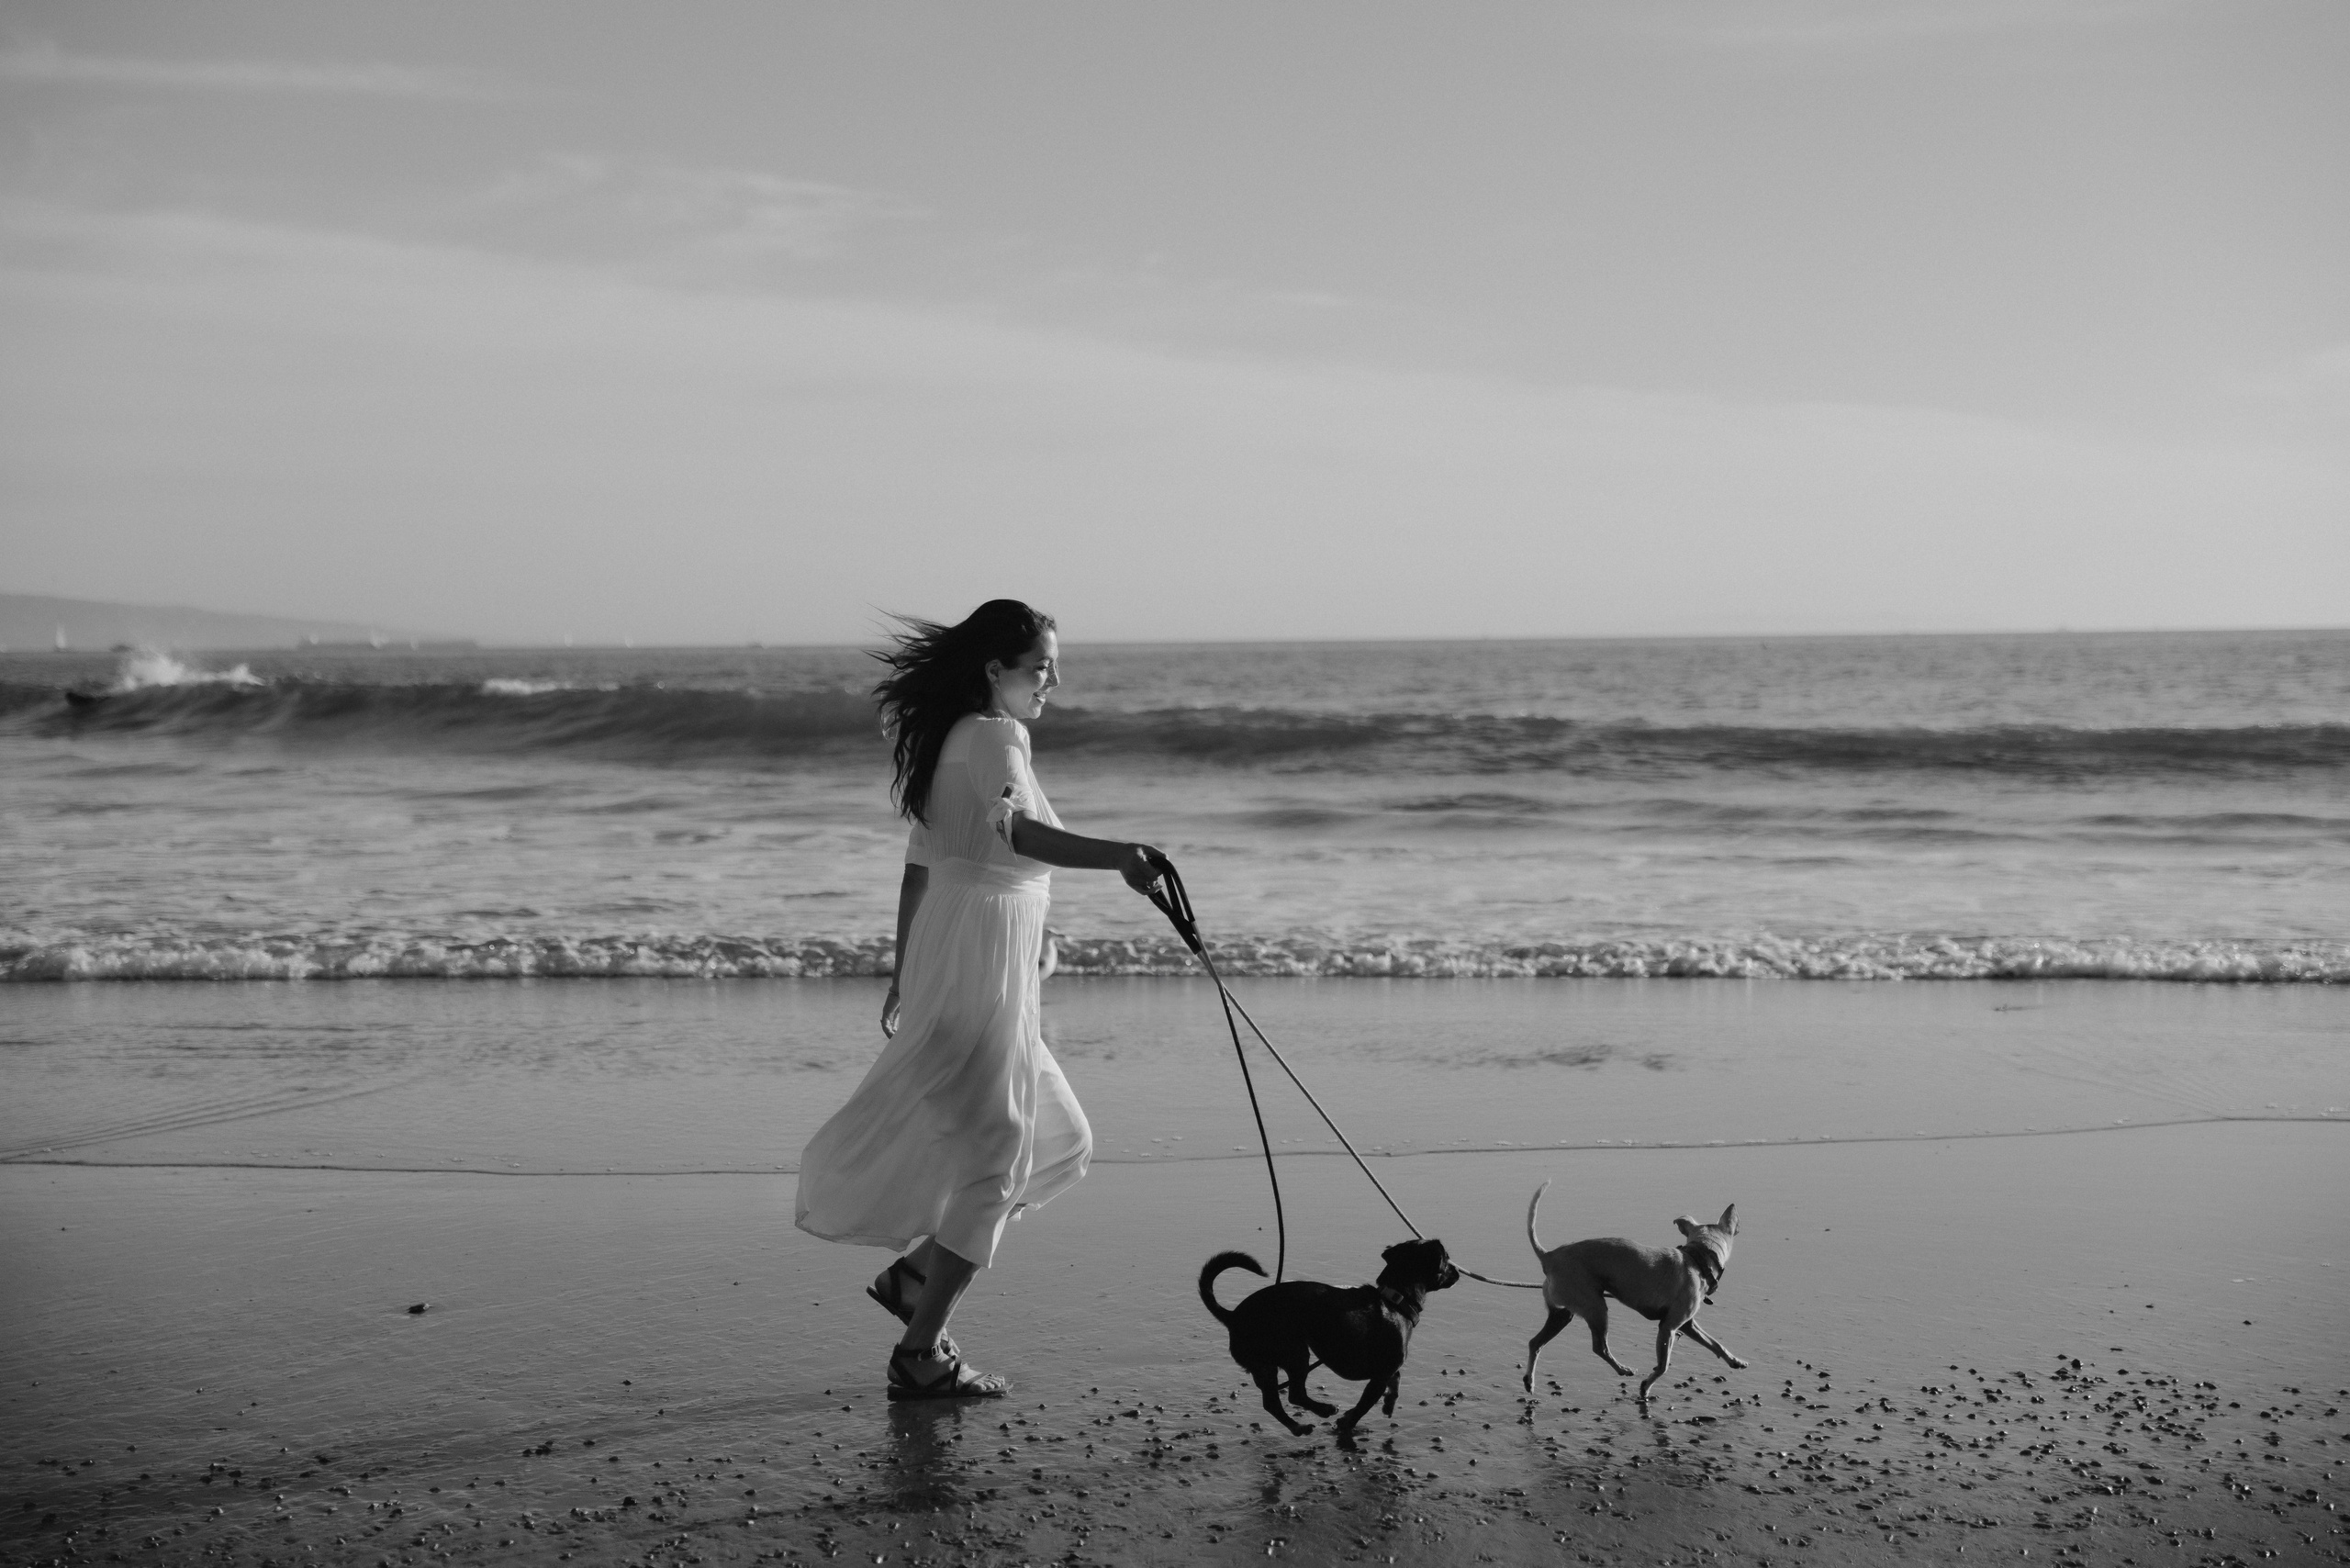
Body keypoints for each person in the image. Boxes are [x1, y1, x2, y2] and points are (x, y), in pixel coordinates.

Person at [794, 599, 1163, 1400]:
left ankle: (915, 1280)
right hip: (977, 965)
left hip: (967, 957)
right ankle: (920, 1352)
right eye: (1040, 666)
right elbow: (1015, 832)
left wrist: (906, 970)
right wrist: (1122, 857)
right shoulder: (996, 736)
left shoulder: (953, 736)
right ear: (995, 669)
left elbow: (921, 867)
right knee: (1001, 1157)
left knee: (1060, 1141)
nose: (1053, 680)